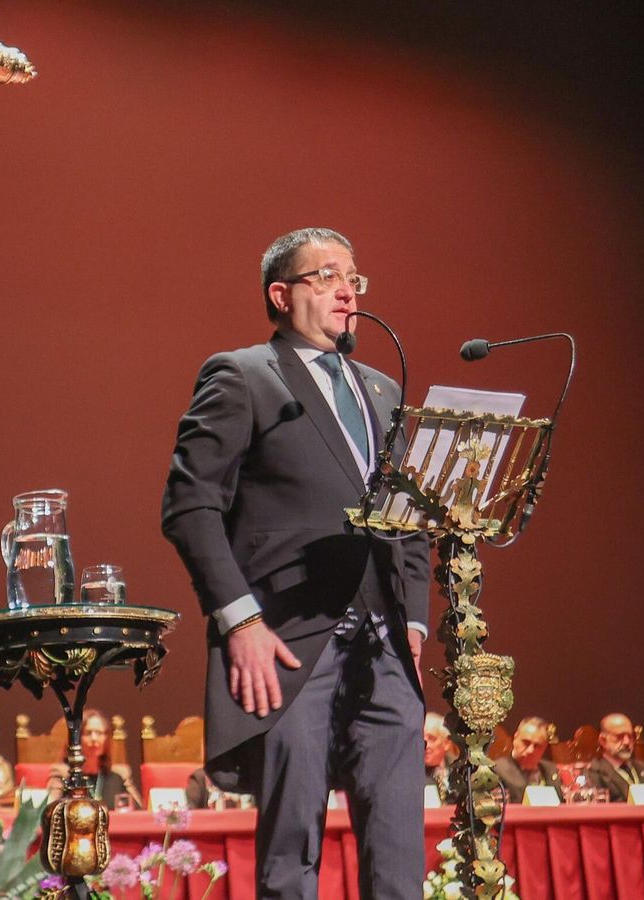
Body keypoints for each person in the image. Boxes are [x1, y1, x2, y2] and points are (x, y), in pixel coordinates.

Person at [162, 227, 431, 899]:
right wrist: (240, 623)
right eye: (326, 275)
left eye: (354, 277)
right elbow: (189, 506)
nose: (347, 289)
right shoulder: (244, 374)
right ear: (280, 295)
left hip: (385, 640)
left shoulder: (382, 391)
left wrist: (418, 622)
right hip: (287, 640)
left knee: (400, 857)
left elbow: (412, 515)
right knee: (291, 858)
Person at [51, 710, 141, 809]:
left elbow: (138, 810)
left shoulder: (118, 776)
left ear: (107, 739)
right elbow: (52, 808)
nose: (94, 738)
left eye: (99, 733)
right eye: (88, 733)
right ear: (76, 739)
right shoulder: (63, 775)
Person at [584, 713, 644, 802]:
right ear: (603, 741)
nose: (627, 742)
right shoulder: (593, 771)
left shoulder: (643, 768)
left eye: (630, 736)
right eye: (619, 737)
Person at [493, 716, 566, 803]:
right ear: (515, 738)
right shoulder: (497, 770)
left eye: (537, 746)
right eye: (526, 743)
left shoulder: (552, 770)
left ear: (545, 747)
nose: (530, 750)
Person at [424, 711, 453, 803]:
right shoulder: (412, 777)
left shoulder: (459, 772)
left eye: (432, 739)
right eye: (421, 739)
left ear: (446, 743)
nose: (426, 745)